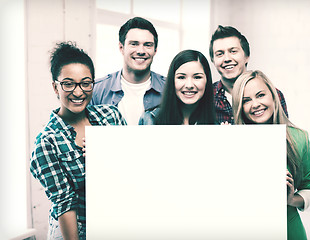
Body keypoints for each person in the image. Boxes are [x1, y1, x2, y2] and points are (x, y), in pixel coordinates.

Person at [30, 42, 125, 239]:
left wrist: (109, 153)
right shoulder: (47, 143)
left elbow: (133, 163)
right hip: (75, 228)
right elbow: (65, 205)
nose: (79, 92)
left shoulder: (111, 116)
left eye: (85, 83)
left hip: (113, 219)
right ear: (55, 87)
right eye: (68, 83)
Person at [232, 70, 310, 240]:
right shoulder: (233, 143)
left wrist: (291, 199)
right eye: (246, 100)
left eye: (260, 95)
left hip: (288, 230)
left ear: (273, 95)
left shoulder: (299, 138)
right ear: (240, 107)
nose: (255, 104)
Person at [90, 17, 166, 125]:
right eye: (134, 44)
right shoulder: (97, 90)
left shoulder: (170, 88)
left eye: (147, 45)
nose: (141, 51)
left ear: (155, 50)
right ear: (121, 48)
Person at [209, 25, 288, 124]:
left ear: (247, 56)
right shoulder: (207, 97)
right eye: (220, 54)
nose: (227, 59)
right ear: (213, 60)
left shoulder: (273, 95)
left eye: (233, 51)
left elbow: (283, 135)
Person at [139, 49, 216, 125]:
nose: (189, 85)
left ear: (207, 80)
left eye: (197, 77)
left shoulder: (215, 124)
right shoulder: (150, 119)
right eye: (181, 77)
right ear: (172, 80)